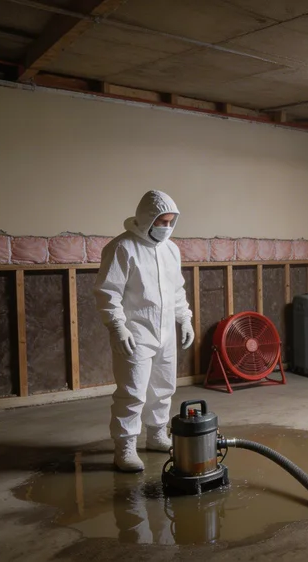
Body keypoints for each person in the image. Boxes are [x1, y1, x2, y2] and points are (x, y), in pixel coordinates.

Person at [94, 190, 195, 472]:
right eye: (161, 222)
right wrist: (117, 326)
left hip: (164, 332)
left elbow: (177, 290)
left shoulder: (171, 250)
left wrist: (184, 319)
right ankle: (125, 447)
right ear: (146, 219)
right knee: (133, 391)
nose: (166, 228)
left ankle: (156, 434)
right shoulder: (122, 248)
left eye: (171, 222)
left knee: (163, 387)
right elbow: (107, 292)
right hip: (135, 332)